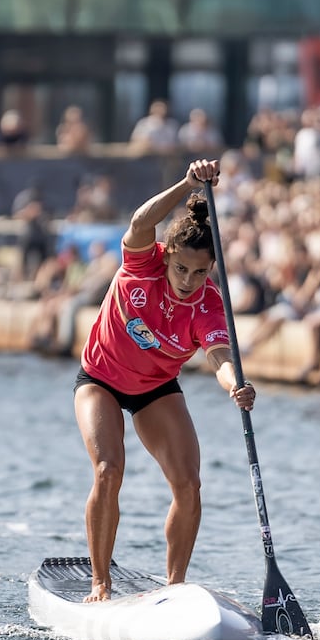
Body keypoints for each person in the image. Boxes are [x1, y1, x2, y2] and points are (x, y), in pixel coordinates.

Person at [74, 158, 256, 603]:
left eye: (200, 272)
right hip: (101, 377)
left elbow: (219, 356)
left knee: (189, 485)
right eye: (181, 270)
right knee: (108, 470)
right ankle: (101, 583)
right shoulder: (142, 265)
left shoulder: (210, 304)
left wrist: (235, 384)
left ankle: (175, 588)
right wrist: (188, 183)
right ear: (167, 256)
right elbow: (140, 221)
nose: (189, 282)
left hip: (155, 389)